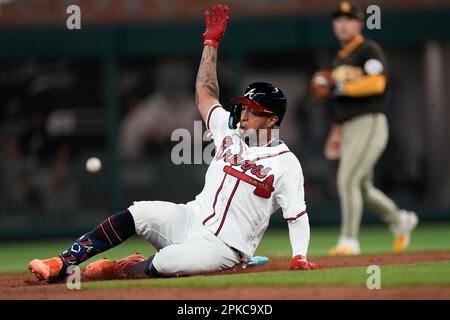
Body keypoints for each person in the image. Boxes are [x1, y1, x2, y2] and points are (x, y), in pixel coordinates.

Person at [28, 4, 323, 283]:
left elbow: (297, 215)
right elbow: (205, 92)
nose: (243, 113)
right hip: (190, 217)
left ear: (272, 120)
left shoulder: (286, 163)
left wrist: (299, 256)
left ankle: (122, 269)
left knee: (169, 262)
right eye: (243, 106)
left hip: (225, 247)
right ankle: (62, 263)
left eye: (252, 110)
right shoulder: (228, 130)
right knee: (138, 213)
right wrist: (211, 43)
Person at [310, 1, 418, 256]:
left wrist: (339, 86)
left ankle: (349, 240)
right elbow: (340, 102)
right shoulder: (339, 58)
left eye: (348, 19)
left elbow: (377, 84)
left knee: (347, 179)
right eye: (338, 19)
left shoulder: (369, 50)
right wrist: (336, 132)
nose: (342, 24)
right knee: (362, 187)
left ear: (359, 23)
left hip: (370, 122)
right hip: (348, 126)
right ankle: (400, 219)